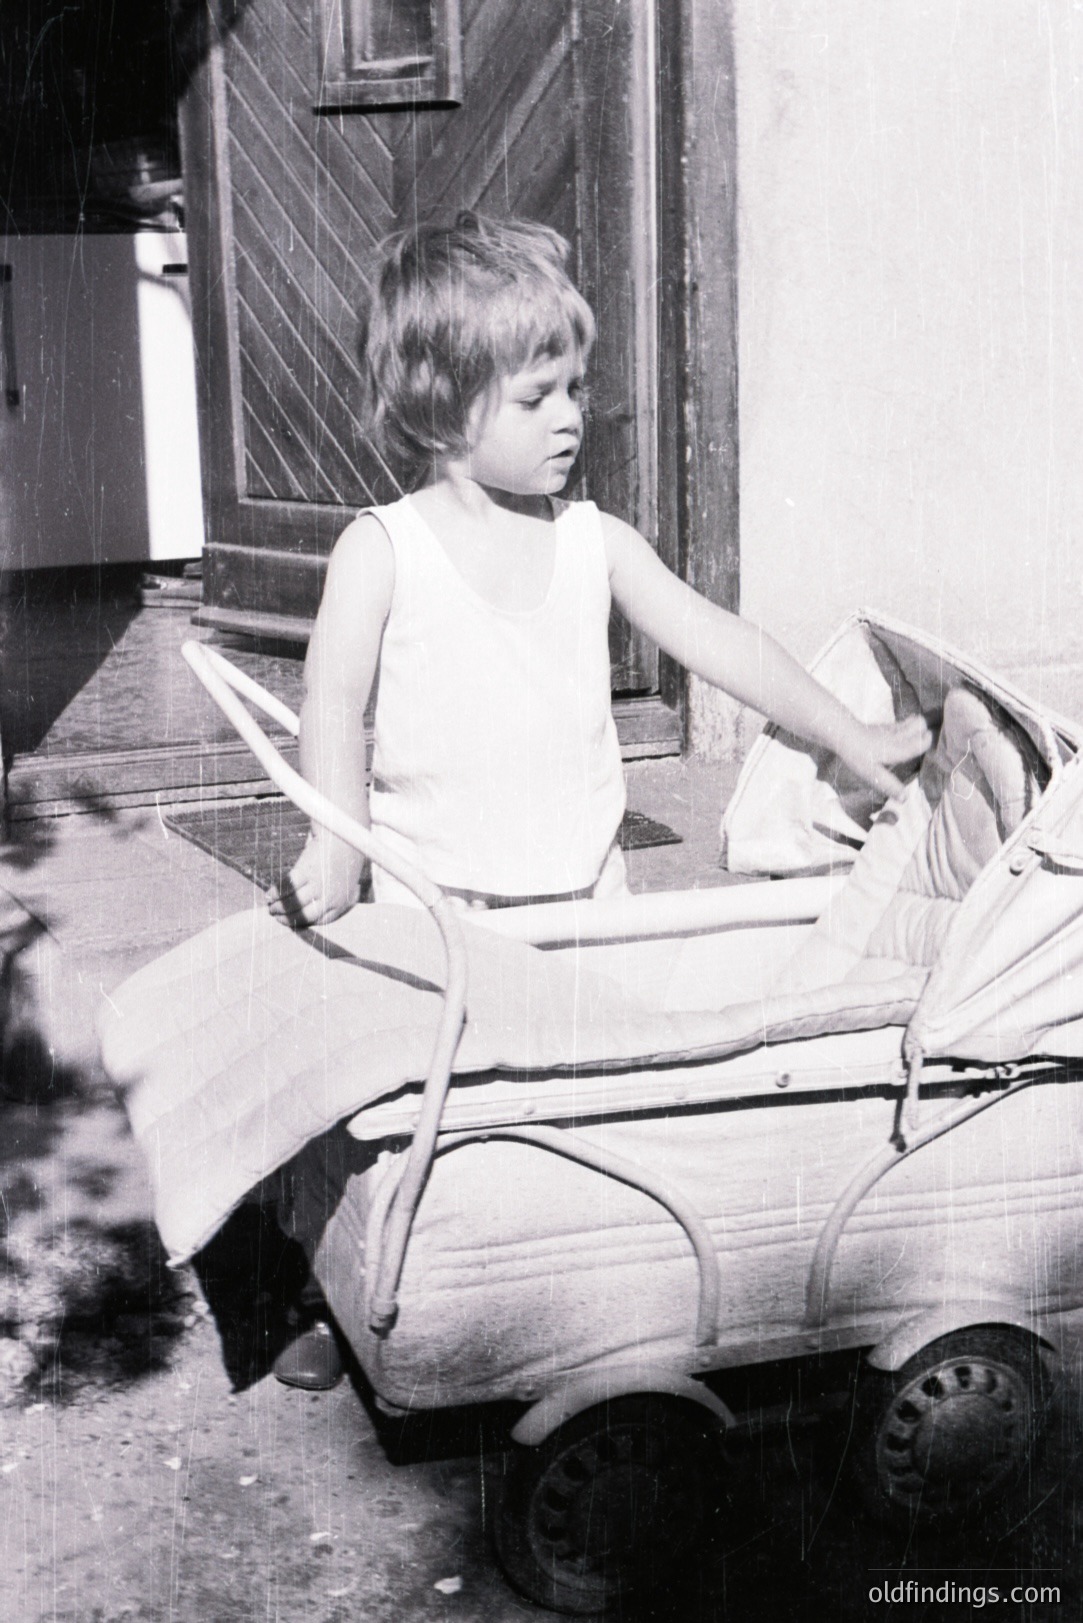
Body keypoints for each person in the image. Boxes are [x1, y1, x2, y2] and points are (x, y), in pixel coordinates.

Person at [269, 213, 930, 928]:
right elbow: (331, 702)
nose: (567, 418)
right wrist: (337, 846)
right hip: (434, 904)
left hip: (587, 896)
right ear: (440, 403)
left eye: (572, 390)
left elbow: (722, 642)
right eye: (534, 397)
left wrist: (849, 735)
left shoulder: (594, 542)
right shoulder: (383, 550)